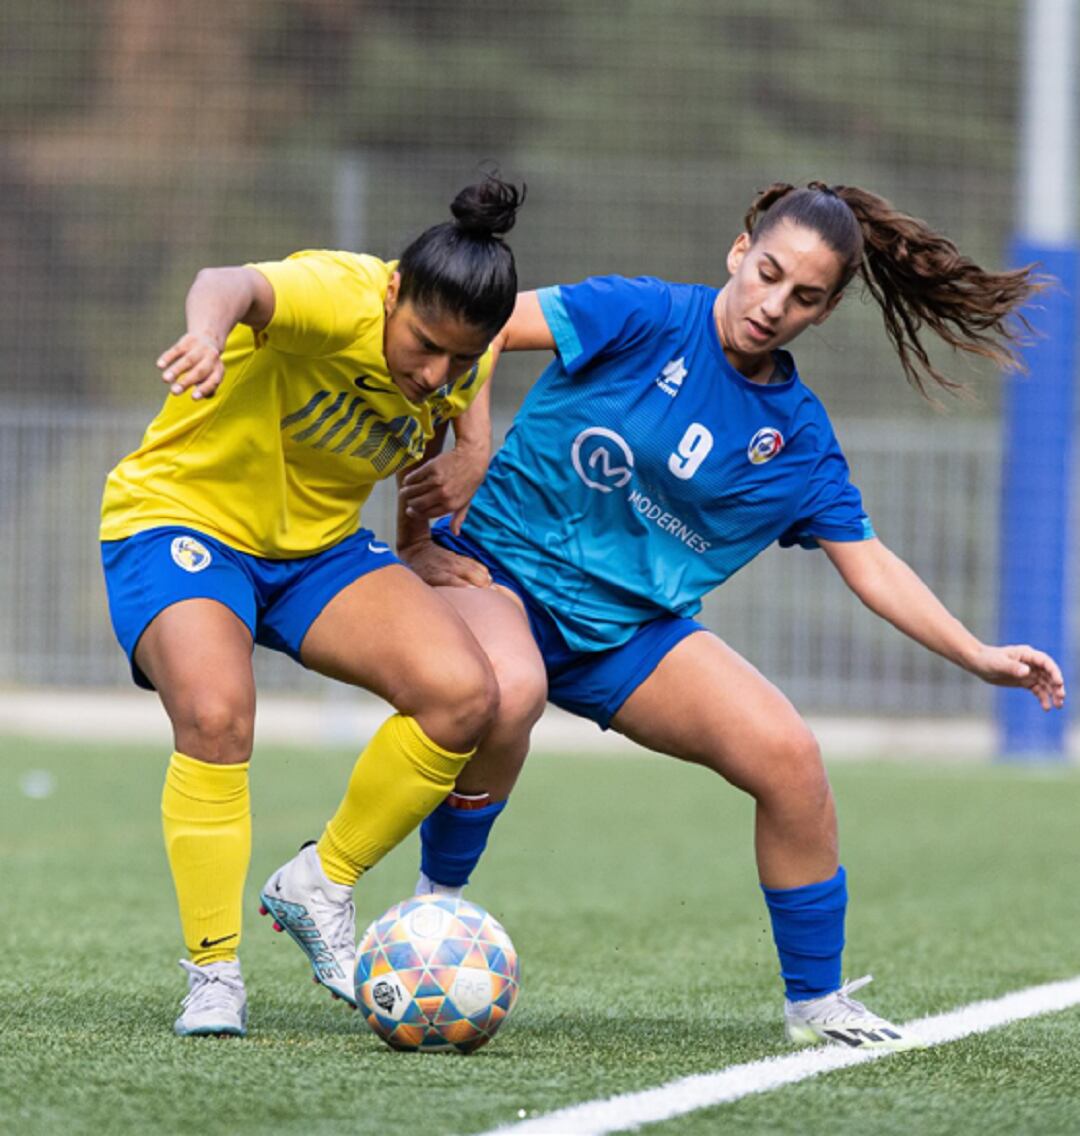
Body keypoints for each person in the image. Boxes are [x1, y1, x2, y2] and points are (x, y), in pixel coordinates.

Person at [396, 182, 1066, 1052]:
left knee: (789, 758)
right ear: (738, 250)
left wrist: (978, 655)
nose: (774, 306)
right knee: (505, 694)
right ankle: (430, 912)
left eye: (805, 297)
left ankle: (816, 1004)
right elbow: (477, 330)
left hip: (625, 636)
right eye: (769, 274)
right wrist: (472, 453)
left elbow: (871, 565)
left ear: (825, 313)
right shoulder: (638, 312)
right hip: (493, 574)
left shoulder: (797, 440)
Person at [99, 174, 525, 1037]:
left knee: (465, 694)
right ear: (395, 291)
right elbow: (232, 282)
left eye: (459, 356)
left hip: (315, 551)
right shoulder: (341, 296)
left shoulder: (455, 360)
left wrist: (418, 542)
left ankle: (320, 882)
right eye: (423, 344)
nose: (434, 369)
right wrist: (205, 336)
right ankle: (213, 972)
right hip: (181, 519)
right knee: (217, 714)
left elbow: (434, 431)